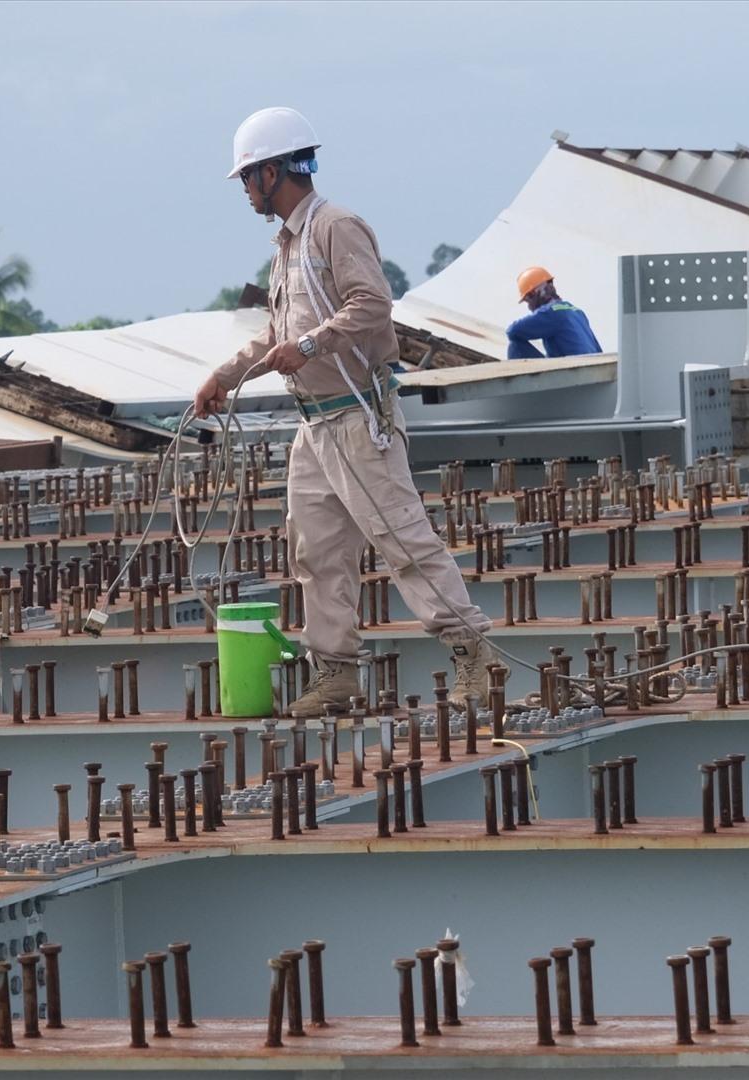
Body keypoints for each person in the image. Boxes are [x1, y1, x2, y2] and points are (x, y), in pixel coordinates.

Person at [193, 106, 501, 715]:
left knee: (402, 539)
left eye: (250, 177)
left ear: (273, 172)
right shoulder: (287, 246)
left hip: (359, 419)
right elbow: (277, 333)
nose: (246, 191)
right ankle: (334, 672)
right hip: (316, 426)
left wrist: (307, 346)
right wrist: (223, 376)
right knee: (316, 550)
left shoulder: (335, 226)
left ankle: (474, 656)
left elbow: (372, 305)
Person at [506, 267, 602, 359]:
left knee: (515, 346)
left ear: (536, 293)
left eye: (528, 300)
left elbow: (512, 331)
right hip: (590, 369)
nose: (529, 307)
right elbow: (598, 350)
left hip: (571, 371)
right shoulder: (577, 311)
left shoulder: (551, 313)